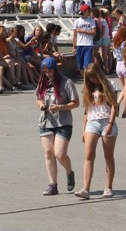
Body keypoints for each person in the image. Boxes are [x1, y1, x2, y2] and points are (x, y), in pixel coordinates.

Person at [36, 57, 79, 196]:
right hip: (46, 121)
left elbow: (76, 103)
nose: (47, 74)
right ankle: (53, 185)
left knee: (59, 154)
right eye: (45, 71)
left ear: (55, 69)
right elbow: (38, 98)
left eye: (49, 71)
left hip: (63, 121)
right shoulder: (42, 82)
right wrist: (41, 104)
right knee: (48, 152)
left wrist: (60, 107)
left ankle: (69, 172)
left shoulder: (67, 82)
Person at [74, 63, 118, 199]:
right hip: (92, 122)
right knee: (88, 154)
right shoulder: (87, 88)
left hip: (106, 121)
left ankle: (109, 187)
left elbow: (114, 107)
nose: (93, 80)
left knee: (108, 155)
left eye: (94, 77)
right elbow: (86, 111)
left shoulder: (110, 85)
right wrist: (83, 130)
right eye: (90, 78)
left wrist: (110, 123)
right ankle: (86, 189)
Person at [73, 4, 97, 76]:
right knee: (80, 67)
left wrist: (83, 31)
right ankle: (85, 79)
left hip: (88, 44)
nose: (90, 13)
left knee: (86, 66)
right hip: (79, 45)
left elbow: (94, 32)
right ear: (85, 11)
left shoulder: (91, 21)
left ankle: (86, 82)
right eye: (88, 11)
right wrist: (74, 47)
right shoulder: (77, 21)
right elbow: (75, 35)